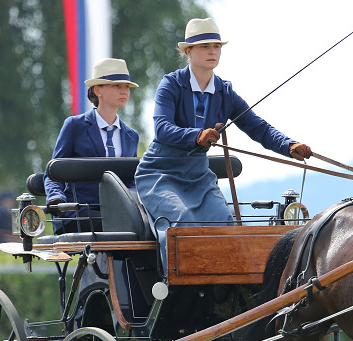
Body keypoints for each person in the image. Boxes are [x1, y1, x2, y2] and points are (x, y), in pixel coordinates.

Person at [134, 18, 312, 273]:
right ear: (188, 51)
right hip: (160, 174)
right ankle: (173, 294)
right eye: (204, 46)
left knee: (224, 223)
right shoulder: (171, 85)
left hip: (197, 176)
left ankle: (225, 298)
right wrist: (196, 136)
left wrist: (289, 145)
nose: (212, 52)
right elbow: (162, 128)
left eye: (216, 46)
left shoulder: (225, 92)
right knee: (181, 225)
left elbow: (257, 127)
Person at [45, 58, 140, 234]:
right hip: (80, 213)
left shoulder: (131, 136)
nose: (124, 91)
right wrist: (56, 199)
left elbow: (130, 181)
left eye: (126, 87)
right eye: (117, 86)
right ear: (98, 90)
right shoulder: (75, 126)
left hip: (118, 213)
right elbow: (53, 172)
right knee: (116, 226)